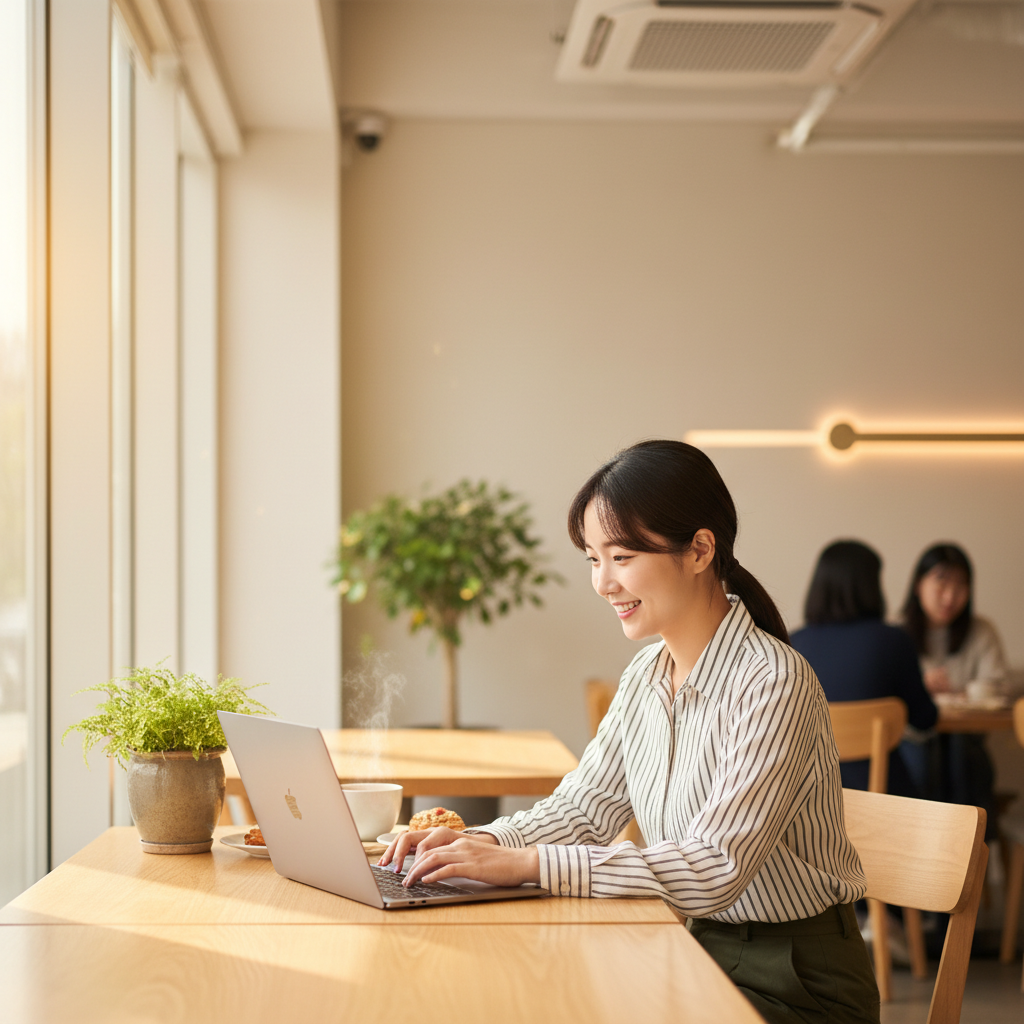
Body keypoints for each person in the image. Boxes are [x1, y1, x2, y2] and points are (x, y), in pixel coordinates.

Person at [380, 440, 879, 1024]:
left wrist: (531, 864)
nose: (602, 583)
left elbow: (712, 867)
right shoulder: (647, 674)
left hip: (797, 981)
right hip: (692, 941)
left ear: (699, 549)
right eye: (593, 559)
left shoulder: (773, 681)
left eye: (620, 557)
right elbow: (586, 807)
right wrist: (486, 844)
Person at [790, 540, 937, 798]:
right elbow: (924, 719)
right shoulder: (893, 640)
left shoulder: (791, 643)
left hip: (808, 798)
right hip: (882, 798)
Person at [900, 543, 1008, 822]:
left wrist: (962, 692)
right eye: (941, 583)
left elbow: (1000, 688)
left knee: (962, 756)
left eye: (961, 586)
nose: (950, 596)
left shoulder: (981, 631)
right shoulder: (896, 634)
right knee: (921, 759)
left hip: (965, 738)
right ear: (918, 585)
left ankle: (968, 849)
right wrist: (919, 684)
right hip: (911, 738)